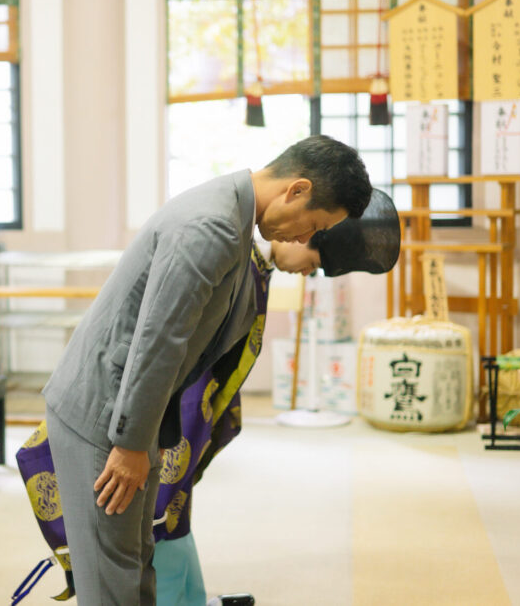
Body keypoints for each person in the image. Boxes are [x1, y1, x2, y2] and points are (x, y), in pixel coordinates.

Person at [41, 135, 373, 605]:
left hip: (134, 414)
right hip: (106, 417)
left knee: (136, 566)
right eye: (313, 226)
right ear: (296, 190)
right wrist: (132, 442)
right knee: (110, 580)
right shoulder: (212, 227)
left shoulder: (232, 217)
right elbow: (160, 341)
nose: (304, 239)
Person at [152, 188, 401, 606]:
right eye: (316, 262)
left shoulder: (255, 265)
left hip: (196, 402)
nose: (309, 271)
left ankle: (188, 598)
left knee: (175, 509)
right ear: (304, 233)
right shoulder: (228, 254)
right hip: (178, 402)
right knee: (163, 513)